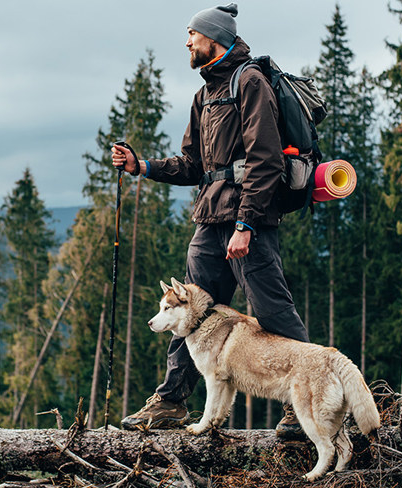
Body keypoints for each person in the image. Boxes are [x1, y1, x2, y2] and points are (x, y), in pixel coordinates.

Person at [111, 3, 308, 437]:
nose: (187, 42)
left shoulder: (250, 82)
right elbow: (192, 164)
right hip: (209, 219)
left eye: (192, 34)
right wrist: (141, 166)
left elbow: (265, 160)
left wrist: (247, 224)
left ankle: (302, 401)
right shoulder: (204, 95)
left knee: (273, 311)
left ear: (214, 38)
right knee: (190, 316)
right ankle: (170, 403)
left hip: (247, 223)